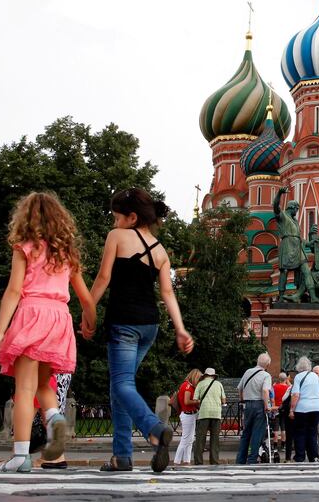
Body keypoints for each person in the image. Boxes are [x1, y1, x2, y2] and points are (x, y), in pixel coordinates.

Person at [0, 192, 96, 473]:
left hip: (32, 313)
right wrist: (89, 323)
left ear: (25, 218)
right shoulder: (67, 254)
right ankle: (55, 417)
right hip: (60, 318)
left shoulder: (24, 248)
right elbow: (86, 298)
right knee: (43, 385)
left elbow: (13, 291)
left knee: (23, 390)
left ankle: (20, 456)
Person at [90, 187, 194, 473]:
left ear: (131, 216)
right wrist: (181, 329)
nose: (113, 223)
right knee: (120, 387)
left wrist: (86, 311)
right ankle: (121, 456)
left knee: (122, 384)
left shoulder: (117, 236)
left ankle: (155, 429)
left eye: (116, 217)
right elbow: (168, 293)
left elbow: (103, 278)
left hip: (123, 322)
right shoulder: (160, 250)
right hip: (150, 326)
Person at [236, 353, 273, 465]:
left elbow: (240, 387)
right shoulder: (266, 375)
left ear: (257, 361)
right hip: (259, 405)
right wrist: (267, 406)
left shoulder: (248, 372)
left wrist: (242, 398)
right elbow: (265, 391)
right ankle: (252, 459)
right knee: (257, 433)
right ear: (267, 365)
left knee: (246, 433)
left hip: (247, 405)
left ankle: (240, 460)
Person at [289, 356, 319, 463]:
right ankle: (314, 456)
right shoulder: (315, 376)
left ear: (298, 367)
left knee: (300, 433)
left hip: (302, 409)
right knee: (312, 433)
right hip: (316, 408)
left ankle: (300, 456)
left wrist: (291, 409)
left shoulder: (298, 377)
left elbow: (295, 395)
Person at [192, 367, 225, 465]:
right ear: (214, 376)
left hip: (204, 414)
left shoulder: (200, 384)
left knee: (200, 439)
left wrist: (202, 403)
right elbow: (223, 400)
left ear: (205, 375)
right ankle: (214, 461)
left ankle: (198, 462)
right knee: (215, 439)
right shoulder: (219, 384)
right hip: (216, 413)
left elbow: (195, 400)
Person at [174, 369, 203, 466]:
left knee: (189, 439)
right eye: (198, 378)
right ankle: (177, 461)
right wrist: (197, 401)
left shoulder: (186, 385)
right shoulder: (188, 386)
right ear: (194, 376)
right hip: (188, 414)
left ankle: (186, 460)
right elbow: (187, 401)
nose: (199, 381)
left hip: (189, 414)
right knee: (186, 439)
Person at [272, 372, 290, 454]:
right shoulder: (288, 388)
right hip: (285, 410)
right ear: (286, 379)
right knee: (284, 428)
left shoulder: (274, 387)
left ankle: (275, 446)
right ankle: (283, 445)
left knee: (275, 429)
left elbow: (271, 397)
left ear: (279, 379)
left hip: (276, 409)